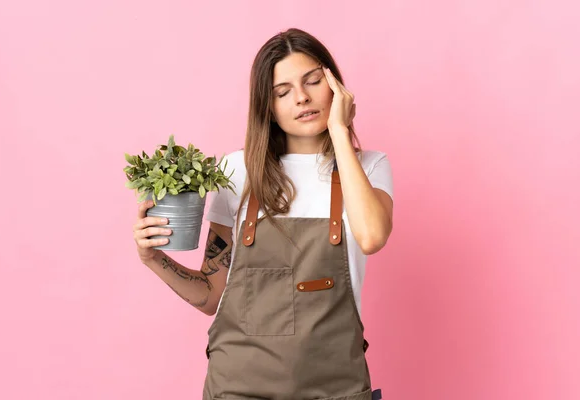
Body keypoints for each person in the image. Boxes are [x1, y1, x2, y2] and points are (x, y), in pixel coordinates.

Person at [132, 28, 394, 400]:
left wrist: (339, 132)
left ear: (336, 86)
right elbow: (210, 296)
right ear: (267, 107)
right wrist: (153, 258)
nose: (302, 98)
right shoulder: (237, 171)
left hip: (336, 388)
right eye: (282, 92)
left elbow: (372, 237)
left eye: (313, 81)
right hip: (238, 388)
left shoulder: (368, 167)